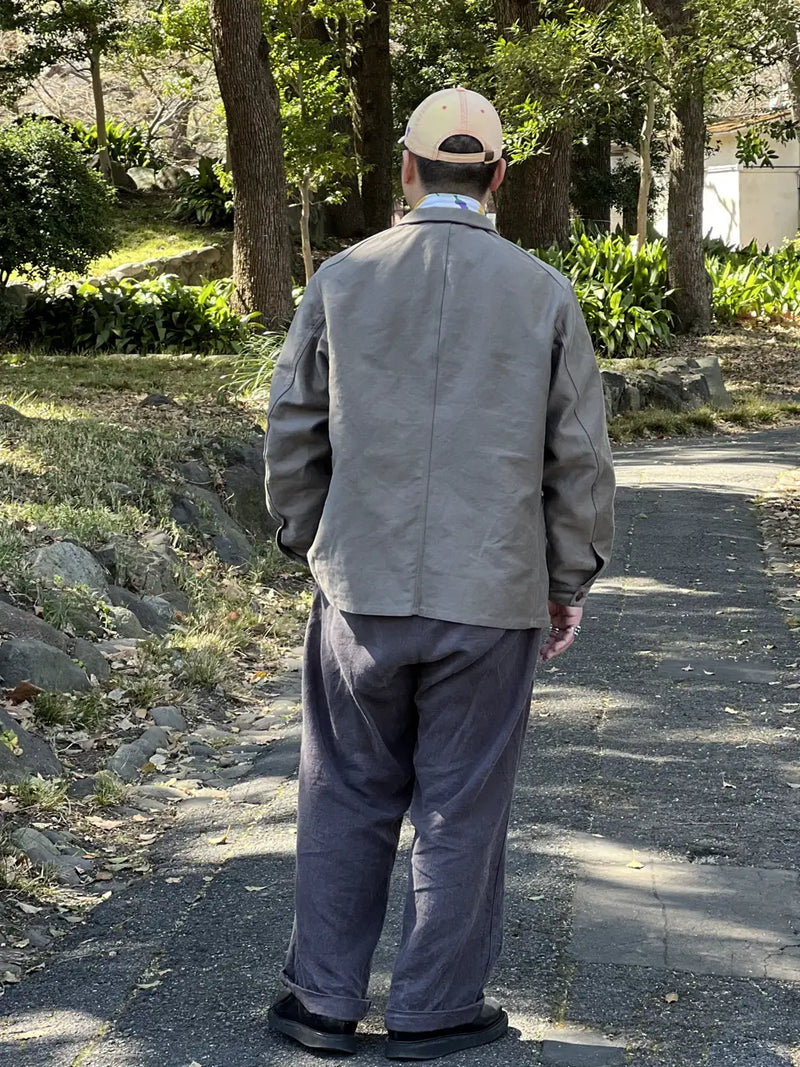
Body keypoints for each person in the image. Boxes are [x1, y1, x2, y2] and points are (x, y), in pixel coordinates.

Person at [264, 86, 615, 1061]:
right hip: (490, 594)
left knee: (341, 789)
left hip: (360, 592)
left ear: (407, 172)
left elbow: (292, 427)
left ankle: (323, 1004)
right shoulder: (541, 292)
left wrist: (307, 539)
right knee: (461, 803)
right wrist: (564, 579)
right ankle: (434, 1007)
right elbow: (578, 459)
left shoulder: (341, 278)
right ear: (498, 177)